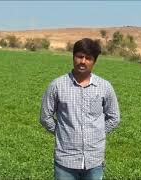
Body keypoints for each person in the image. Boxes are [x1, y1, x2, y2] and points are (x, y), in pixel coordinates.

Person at [40, 38, 120, 180]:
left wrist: (98, 132)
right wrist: (61, 132)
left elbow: (114, 117)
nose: (83, 61)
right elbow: (45, 117)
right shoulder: (57, 85)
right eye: (79, 56)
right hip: (65, 160)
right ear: (73, 57)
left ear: (94, 61)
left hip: (94, 160)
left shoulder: (104, 87)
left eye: (88, 58)